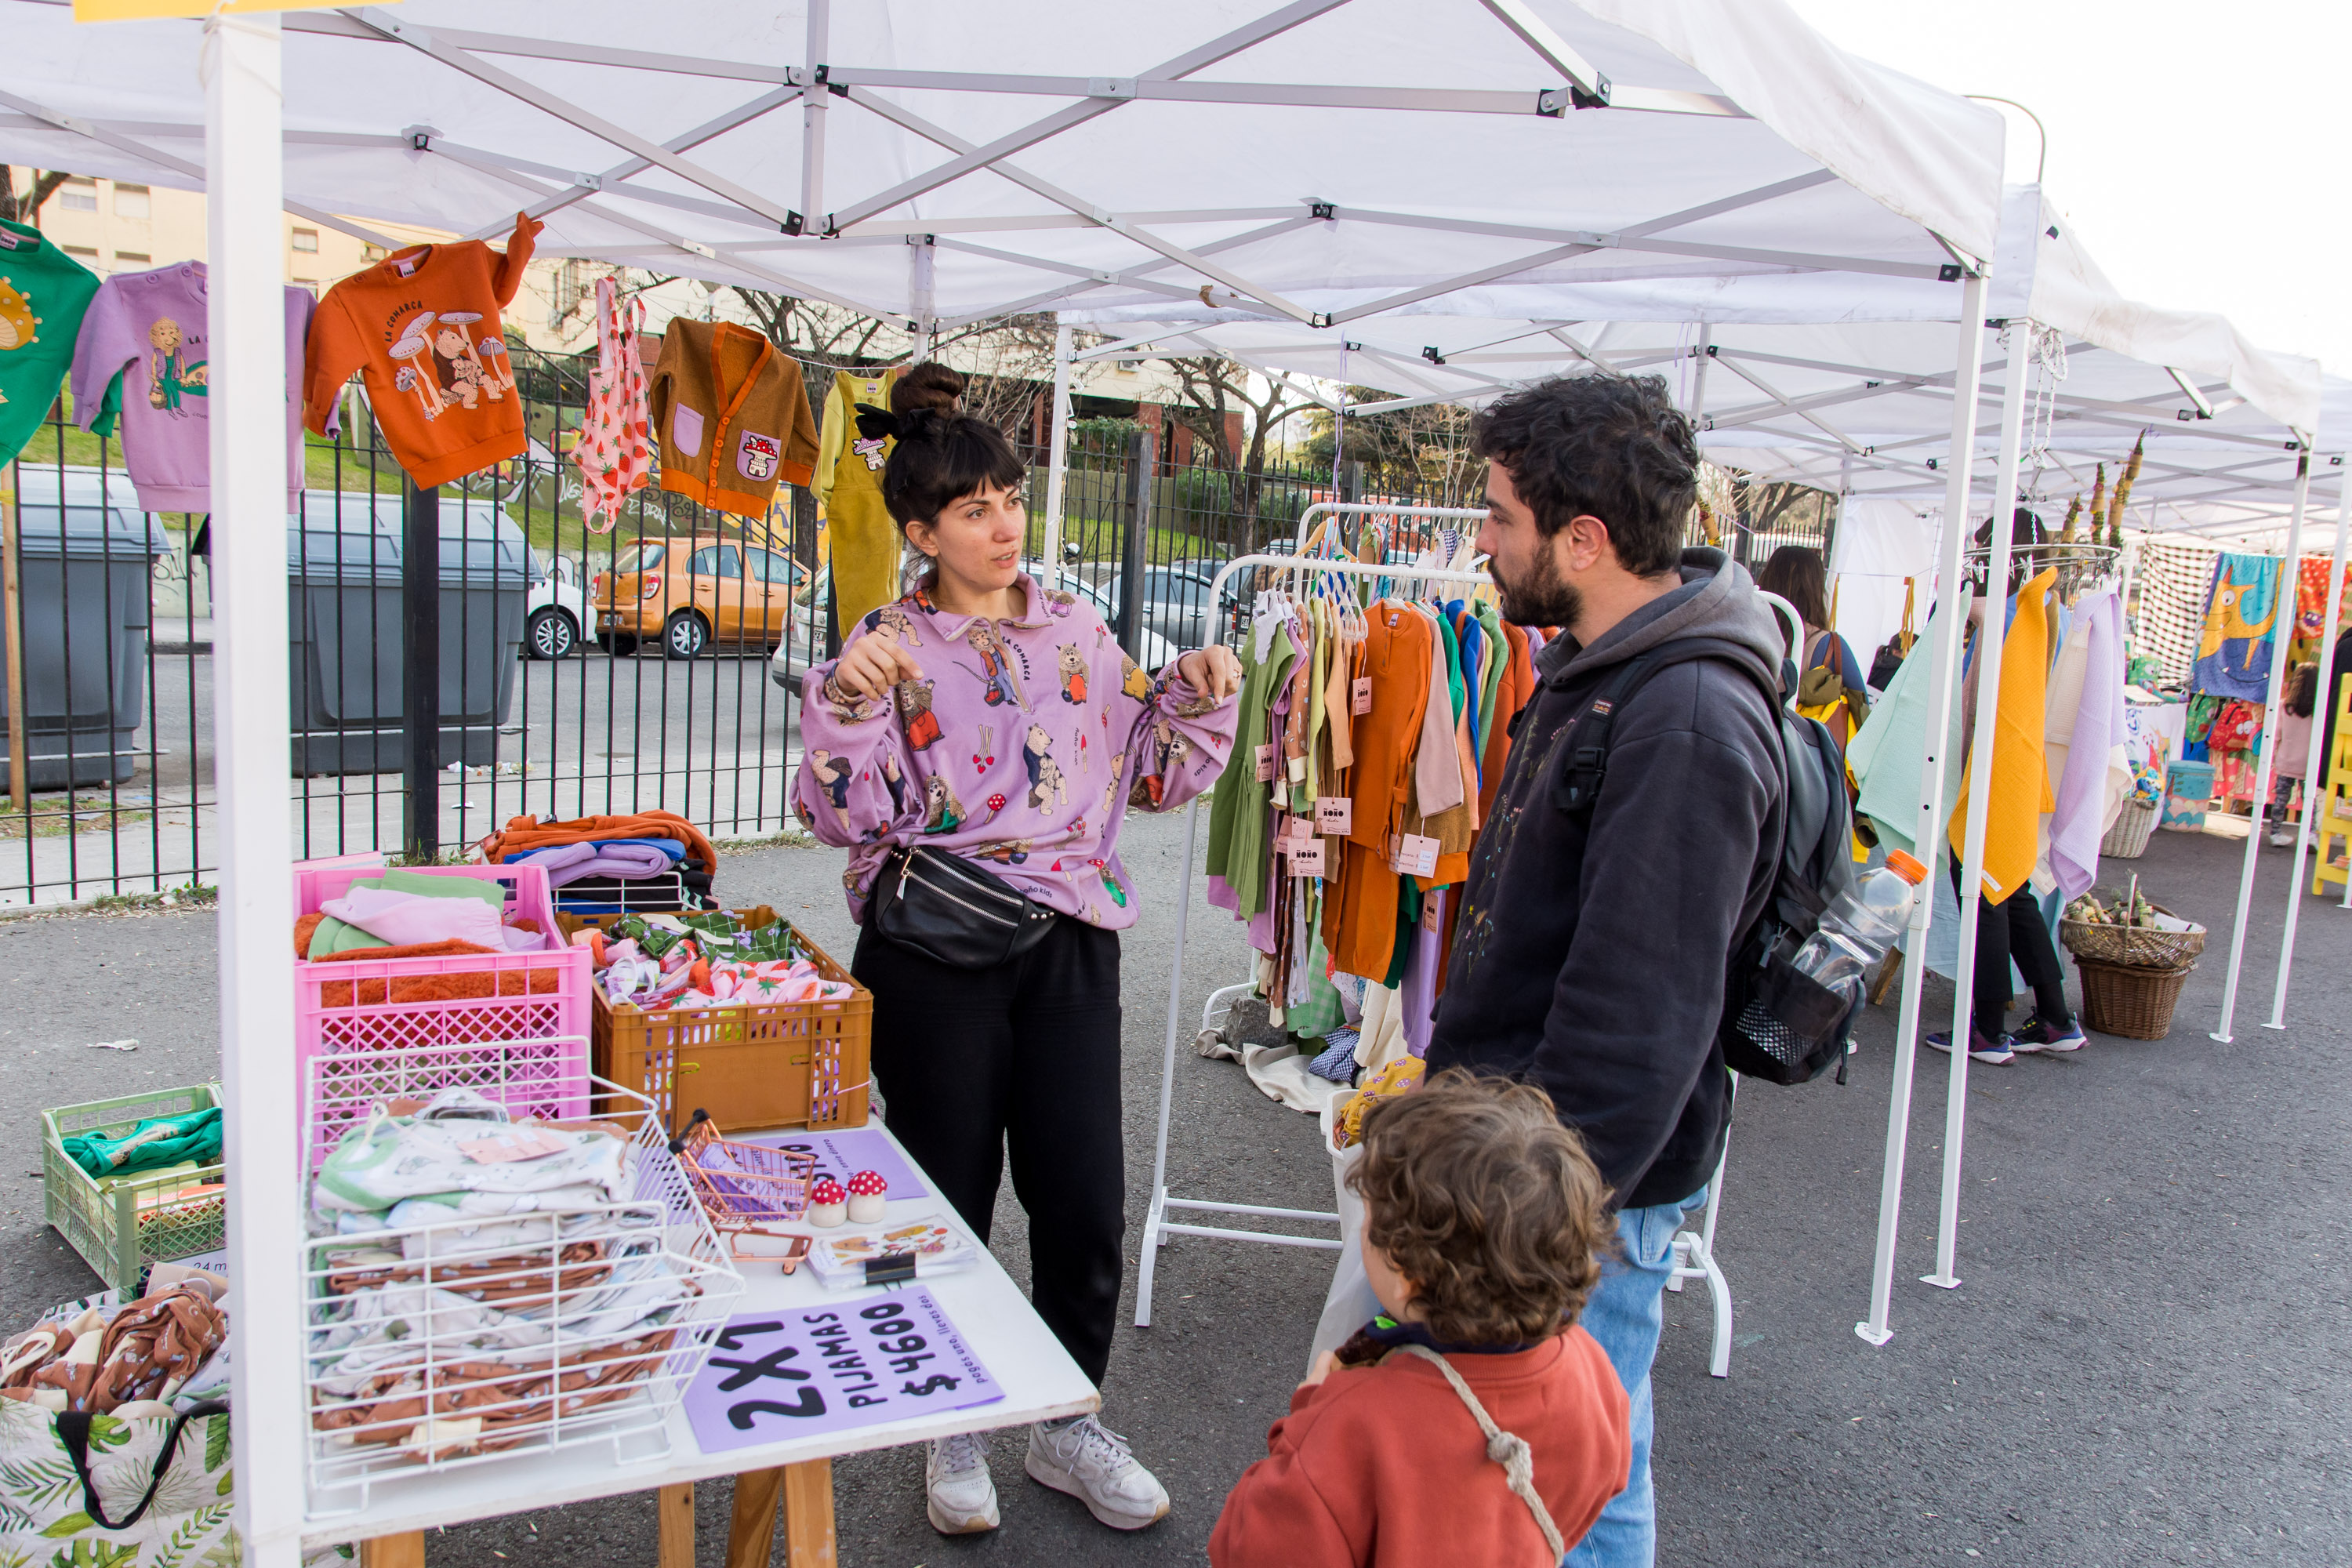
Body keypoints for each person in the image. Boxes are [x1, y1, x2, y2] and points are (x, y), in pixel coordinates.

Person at [792, 408, 1242, 1537]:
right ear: (921, 531)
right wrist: (849, 704)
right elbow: (842, 815)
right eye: (973, 509)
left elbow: (1158, 774)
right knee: (943, 1194)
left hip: (1070, 945)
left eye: (1008, 500)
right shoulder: (884, 644)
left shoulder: (1081, 633)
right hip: (932, 946)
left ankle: (1066, 1418)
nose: (1003, 526)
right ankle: (951, 1418)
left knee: (1083, 1193)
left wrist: (1200, 686)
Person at [1425, 372, 1789, 1568]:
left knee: (1579, 1480)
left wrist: (1533, 1217)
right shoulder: (1611, 666)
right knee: (1566, 1458)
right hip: (1542, 1164)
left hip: (1583, 1190)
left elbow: (1640, 1018)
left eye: (1499, 518)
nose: (1482, 541)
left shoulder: (1684, 715)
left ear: (1582, 541)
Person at [1210, 1073, 1632, 1568]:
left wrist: (1307, 1412)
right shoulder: (1590, 1369)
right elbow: (1605, 1480)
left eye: (1369, 1219)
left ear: (1407, 1272)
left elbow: (1248, 1549)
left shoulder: (1354, 1422)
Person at [1926, 506, 2085, 1064]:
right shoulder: (2045, 608)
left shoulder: (2013, 613)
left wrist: (1965, 600)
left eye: (1981, 547)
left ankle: (1988, 1029)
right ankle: (2057, 1018)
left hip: (1995, 773)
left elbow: (1963, 617)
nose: (1972, 552)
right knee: (2010, 892)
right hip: (2013, 772)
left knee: (1983, 892)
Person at [1755, 543, 1867, 751]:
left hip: (1749, 744)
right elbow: (1862, 707)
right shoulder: (1828, 645)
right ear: (1816, 588)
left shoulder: (1747, 629)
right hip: (1801, 760)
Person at [2268, 662, 2318, 847]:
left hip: (2285, 761)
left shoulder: (2284, 706)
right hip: (2309, 763)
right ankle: (2311, 834)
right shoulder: (2318, 710)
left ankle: (2276, 833)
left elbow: (2277, 735)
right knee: (2310, 800)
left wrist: (2272, 757)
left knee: (2281, 798)